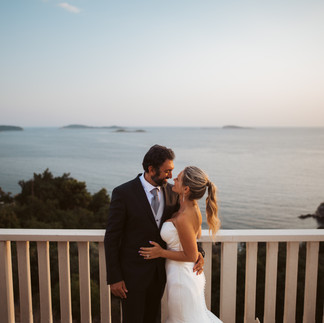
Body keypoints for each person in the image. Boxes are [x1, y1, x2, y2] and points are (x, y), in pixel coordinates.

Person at [104, 145, 204, 323]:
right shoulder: (123, 193)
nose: (171, 176)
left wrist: (199, 253)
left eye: (172, 171)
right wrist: (115, 277)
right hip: (131, 277)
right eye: (167, 171)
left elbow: (188, 225)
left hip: (160, 275)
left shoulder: (174, 193)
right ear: (151, 169)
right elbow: (112, 237)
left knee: (153, 319)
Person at [139, 166, 222, 323]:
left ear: (186, 189)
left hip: (182, 279)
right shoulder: (192, 207)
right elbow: (195, 236)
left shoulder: (183, 216)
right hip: (183, 275)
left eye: (178, 178)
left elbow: (190, 255)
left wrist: (160, 252)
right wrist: (196, 252)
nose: (173, 179)